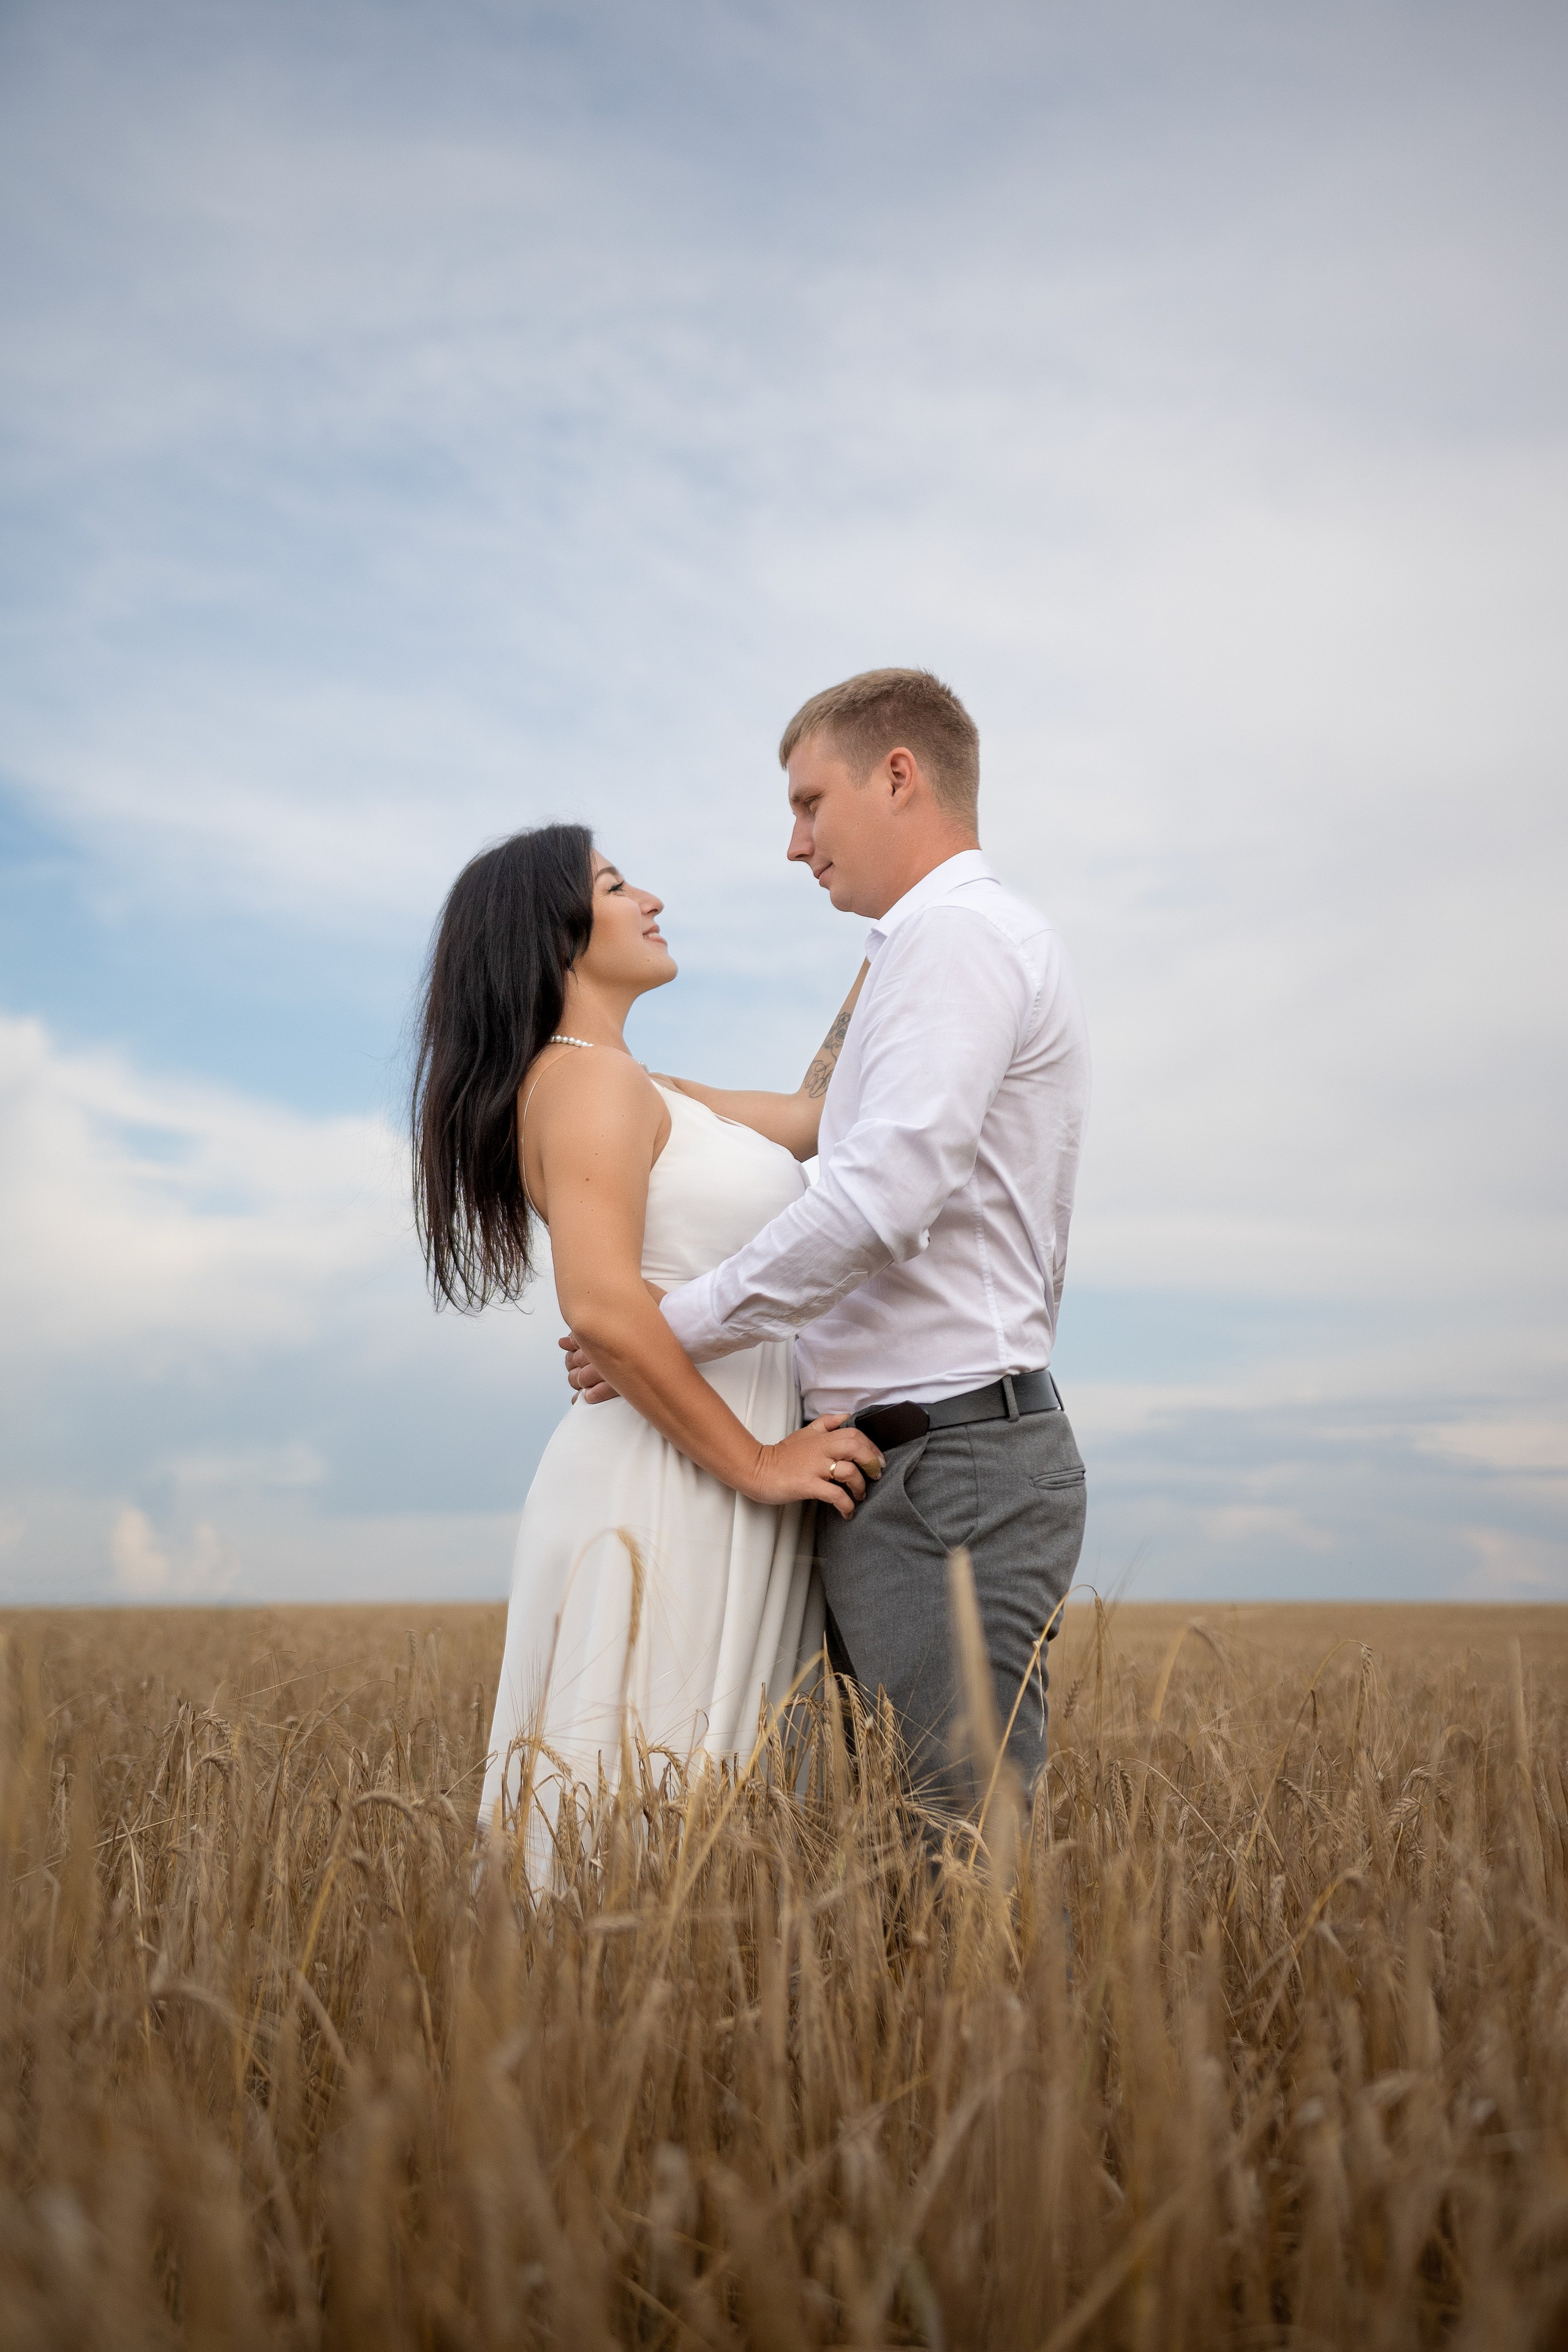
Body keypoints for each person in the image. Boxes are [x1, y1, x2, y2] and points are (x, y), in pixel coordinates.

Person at [565, 669, 1091, 1815]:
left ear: (897, 776)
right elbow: (813, 1124)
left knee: (955, 1847)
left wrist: (670, 1326)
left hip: (946, 1470)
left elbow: (877, 1199)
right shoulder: (923, 947)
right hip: (897, 1466)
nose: (795, 844)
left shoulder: (957, 939)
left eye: (810, 804)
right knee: (911, 1845)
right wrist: (609, 1078)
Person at [410, 824, 883, 1873]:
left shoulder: (644, 1085)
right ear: (554, 934)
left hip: (703, 1470)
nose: (651, 898)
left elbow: (815, 1115)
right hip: (672, 1484)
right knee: (635, 1825)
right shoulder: (586, 1085)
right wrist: (762, 1463)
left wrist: (899, 932)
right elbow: (605, 1309)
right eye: (618, 885)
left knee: (694, 1824)